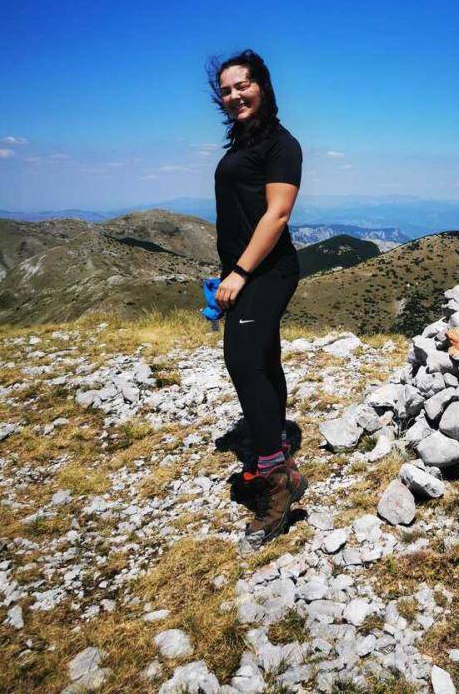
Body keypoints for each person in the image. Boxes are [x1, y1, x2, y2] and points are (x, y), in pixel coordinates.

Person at [207, 48, 307, 547]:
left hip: (266, 272)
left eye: (242, 85)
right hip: (246, 271)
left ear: (263, 86)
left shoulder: (281, 145)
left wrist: (241, 272)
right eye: (226, 90)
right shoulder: (243, 144)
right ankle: (277, 446)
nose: (234, 96)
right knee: (263, 359)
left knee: (242, 360)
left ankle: (275, 478)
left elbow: (277, 214)